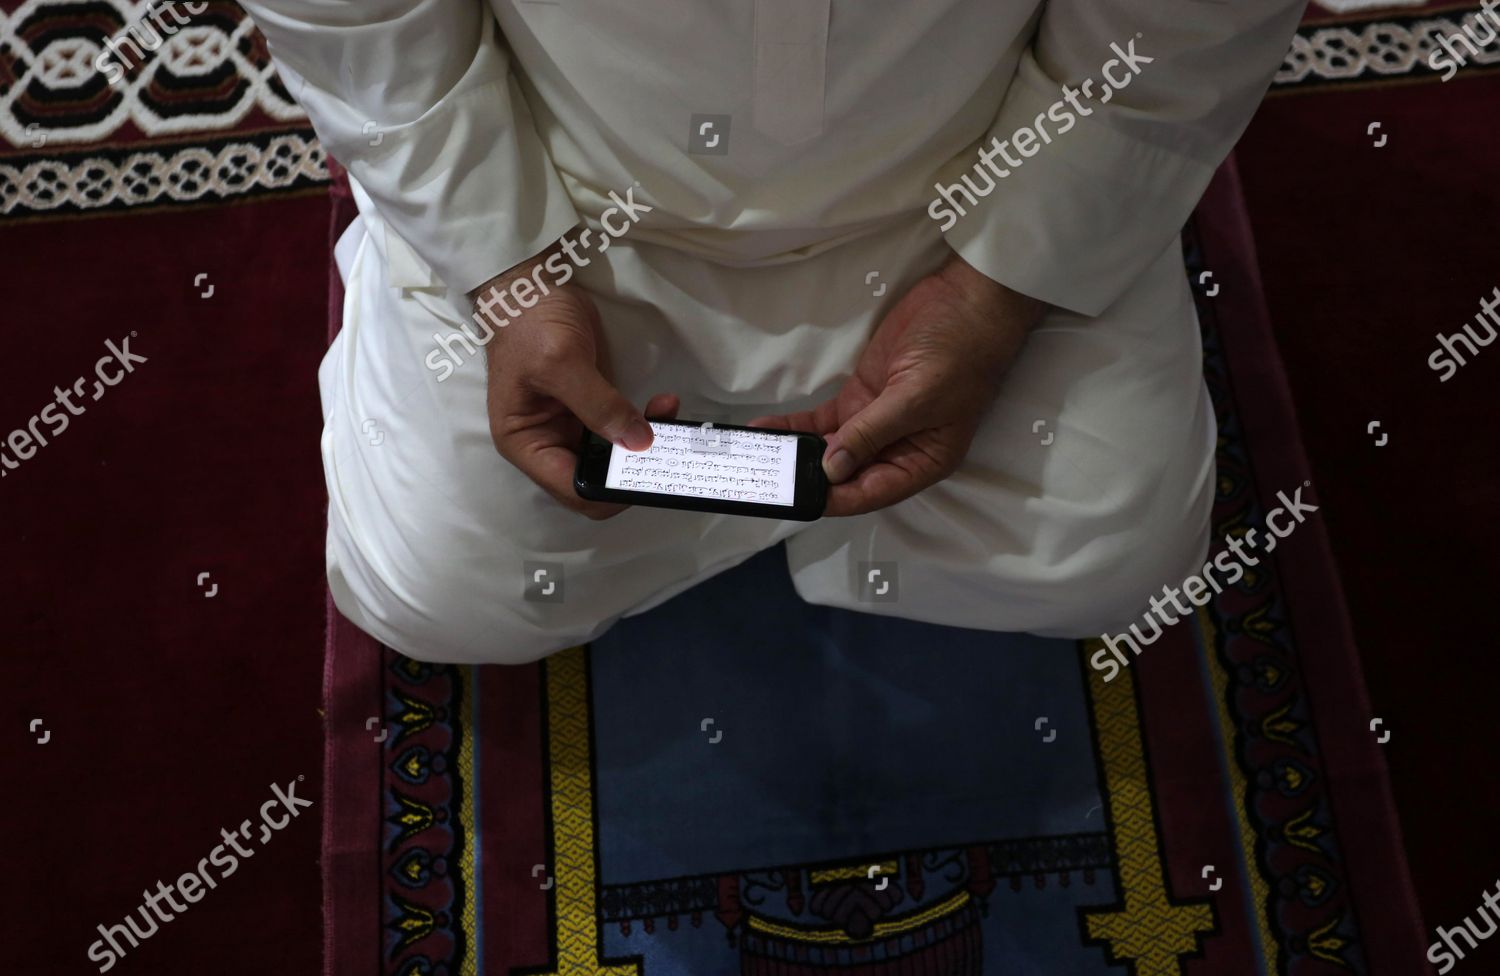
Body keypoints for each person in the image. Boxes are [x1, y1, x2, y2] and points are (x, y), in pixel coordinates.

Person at [241, 0, 1306, 663]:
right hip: (563, 203)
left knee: (1115, 559)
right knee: (445, 591)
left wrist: (994, 298)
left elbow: (1178, 26)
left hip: (972, 197)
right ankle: (427, 246)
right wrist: (510, 275)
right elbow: (358, 19)